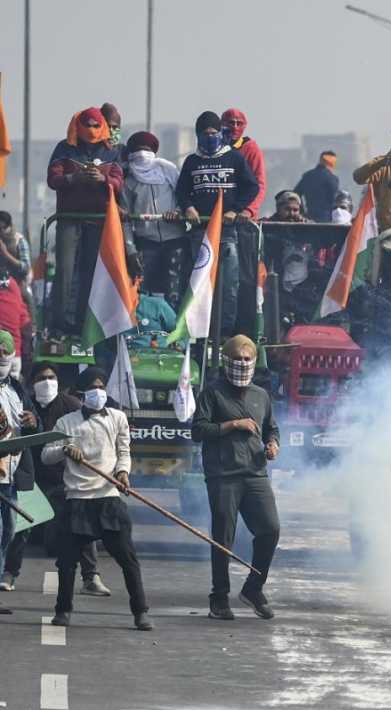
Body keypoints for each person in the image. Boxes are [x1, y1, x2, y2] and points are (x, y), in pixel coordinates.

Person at [40, 367, 152, 631]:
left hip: (108, 497)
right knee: (67, 562)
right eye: (92, 388)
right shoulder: (66, 423)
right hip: (77, 499)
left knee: (128, 559)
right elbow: (46, 455)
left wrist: (123, 473)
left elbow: (123, 451)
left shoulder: (117, 418)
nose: (98, 392)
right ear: (81, 393)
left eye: (102, 387)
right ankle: (63, 610)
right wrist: (66, 449)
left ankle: (141, 612)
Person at [191, 335, 281, 621]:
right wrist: (232, 425)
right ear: (226, 360)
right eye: (237, 358)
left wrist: (273, 444)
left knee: (270, 529)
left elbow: (271, 428)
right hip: (223, 476)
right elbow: (198, 431)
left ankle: (254, 588)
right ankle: (219, 597)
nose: (242, 364)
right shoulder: (212, 393)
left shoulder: (261, 395)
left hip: (255, 474)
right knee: (223, 539)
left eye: (247, 359)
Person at [1, 362, 109, 596]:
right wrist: (31, 425)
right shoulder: (22, 401)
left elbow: (87, 434)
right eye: (41, 378)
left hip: (66, 476)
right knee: (19, 527)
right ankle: (9, 573)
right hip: (31, 476)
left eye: (51, 377)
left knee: (82, 525)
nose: (47, 382)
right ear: (32, 384)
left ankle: (91, 577)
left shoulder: (72, 406)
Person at [175, 111, 260, 337]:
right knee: (199, 284)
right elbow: (181, 190)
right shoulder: (192, 161)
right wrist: (188, 207)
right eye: (205, 133)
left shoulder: (234, 158)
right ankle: (197, 330)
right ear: (198, 135)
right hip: (199, 233)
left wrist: (236, 209)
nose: (210, 137)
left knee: (229, 285)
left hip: (227, 233)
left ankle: (223, 333)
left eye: (214, 133)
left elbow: (252, 186)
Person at [46, 107, 126, 334]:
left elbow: (120, 182)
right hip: (69, 220)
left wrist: (103, 179)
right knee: (64, 272)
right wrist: (74, 177)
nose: (91, 130)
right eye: (87, 125)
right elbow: (53, 179)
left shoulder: (112, 151)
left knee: (91, 273)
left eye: (95, 125)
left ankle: (83, 323)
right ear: (77, 126)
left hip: (98, 221)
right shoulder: (65, 147)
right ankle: (59, 325)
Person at [121, 131, 188, 311]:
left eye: (147, 150)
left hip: (174, 240)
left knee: (174, 292)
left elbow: (185, 199)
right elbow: (125, 220)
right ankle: (146, 334)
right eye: (139, 151)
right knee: (143, 294)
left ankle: (174, 335)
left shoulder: (169, 172)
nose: (143, 155)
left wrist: (178, 212)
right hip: (145, 243)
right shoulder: (129, 182)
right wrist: (131, 250)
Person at [0, 334, 34, 612]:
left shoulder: (17, 390)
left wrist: (33, 421)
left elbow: (33, 424)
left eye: (5, 351)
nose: (1, 355)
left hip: (9, 476)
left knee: (8, 532)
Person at [221, 108, 267, 219]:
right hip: (219, 213)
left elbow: (259, 184)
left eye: (239, 123)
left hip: (243, 216)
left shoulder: (251, 148)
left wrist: (249, 210)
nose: (235, 127)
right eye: (231, 123)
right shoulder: (215, 147)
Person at [295, 150, 341, 223]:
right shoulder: (332, 178)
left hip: (309, 217)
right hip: (327, 219)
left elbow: (296, 194)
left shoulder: (308, 176)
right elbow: (334, 200)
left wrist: (302, 212)